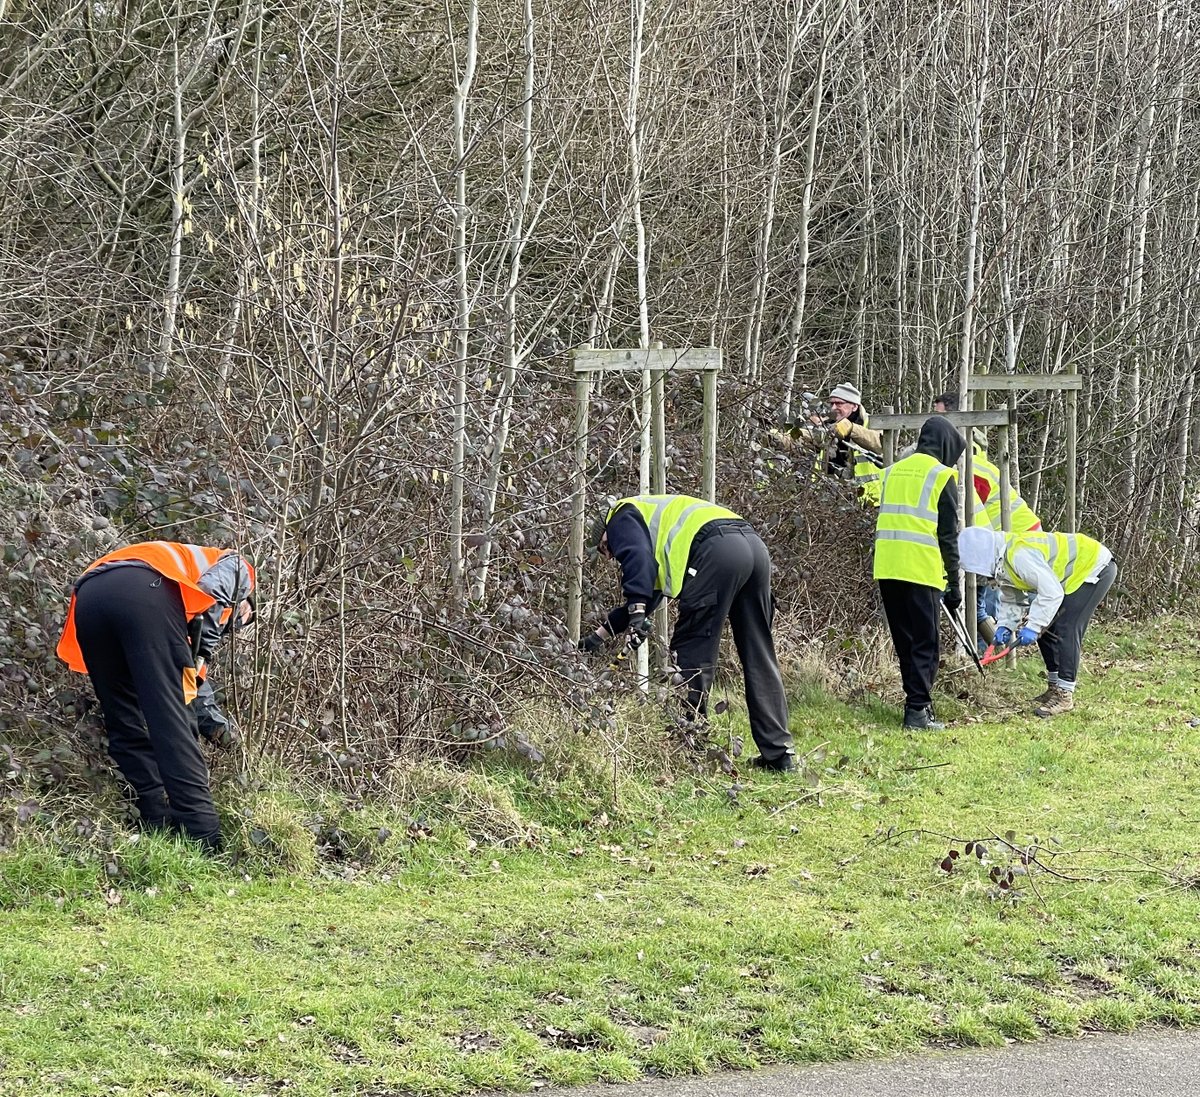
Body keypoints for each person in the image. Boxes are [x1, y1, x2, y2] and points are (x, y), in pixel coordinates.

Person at [57, 542, 256, 851]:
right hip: (144, 591)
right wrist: (203, 650)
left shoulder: (181, 582)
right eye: (240, 620)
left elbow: (194, 692)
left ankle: (156, 828)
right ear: (245, 605)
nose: (235, 625)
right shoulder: (239, 569)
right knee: (172, 724)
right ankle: (203, 841)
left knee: (125, 721)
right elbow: (213, 595)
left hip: (89, 598)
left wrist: (225, 736)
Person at [581, 494, 795, 771]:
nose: (610, 557)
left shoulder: (620, 515)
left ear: (605, 534)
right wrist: (597, 638)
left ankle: (688, 743)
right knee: (759, 653)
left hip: (716, 551)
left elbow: (637, 562)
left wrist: (636, 610)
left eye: (604, 549)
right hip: (753, 548)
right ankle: (779, 755)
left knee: (691, 650)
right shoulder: (653, 526)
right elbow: (648, 594)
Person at [958, 526, 1116, 717]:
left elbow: (1051, 592)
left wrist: (1033, 626)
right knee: (1047, 628)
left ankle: (1065, 695)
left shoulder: (1019, 555)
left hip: (1095, 567)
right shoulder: (1003, 562)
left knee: (1067, 627)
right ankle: (1054, 687)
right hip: (1073, 576)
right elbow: (1012, 598)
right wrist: (1005, 625)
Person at [874, 416, 964, 729]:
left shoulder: (892, 472)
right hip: (921, 569)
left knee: (905, 642)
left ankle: (917, 706)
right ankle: (917, 712)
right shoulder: (941, 476)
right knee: (926, 644)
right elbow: (948, 537)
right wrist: (954, 584)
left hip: (887, 567)